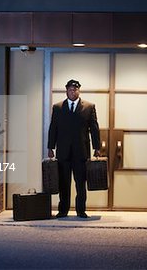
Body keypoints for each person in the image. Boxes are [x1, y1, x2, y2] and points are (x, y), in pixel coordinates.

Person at [47, 79, 101, 218]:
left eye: (75, 89)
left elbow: (94, 129)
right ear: (66, 91)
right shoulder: (58, 107)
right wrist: (50, 147)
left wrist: (97, 147)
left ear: (79, 90)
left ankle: (81, 210)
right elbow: (53, 128)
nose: (73, 91)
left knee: (80, 183)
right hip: (63, 152)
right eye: (70, 89)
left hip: (81, 152)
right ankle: (63, 210)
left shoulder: (89, 107)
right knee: (64, 183)